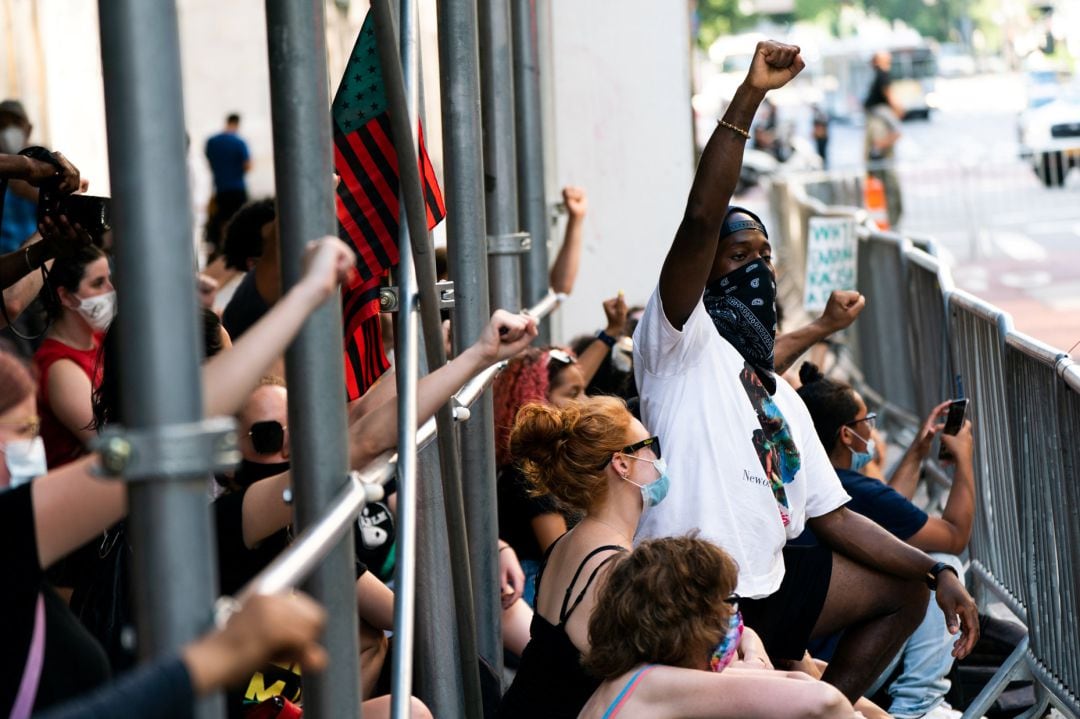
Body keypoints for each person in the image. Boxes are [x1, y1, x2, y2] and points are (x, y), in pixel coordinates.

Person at [633, 39, 978, 702]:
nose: (757, 268)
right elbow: (704, 213)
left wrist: (937, 573)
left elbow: (838, 517)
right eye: (739, 255)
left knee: (901, 588)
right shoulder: (678, 344)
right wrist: (752, 94)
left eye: (765, 255)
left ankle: (829, 706)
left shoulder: (778, 397)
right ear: (703, 270)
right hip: (691, 594)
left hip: (769, 588)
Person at [499, 397, 774, 718]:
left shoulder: (570, 543)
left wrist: (745, 637)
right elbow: (673, 680)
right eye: (650, 445)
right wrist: (751, 656)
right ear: (622, 464)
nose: (658, 457)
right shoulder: (615, 568)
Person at [796, 363, 976, 719]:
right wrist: (965, 460)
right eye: (868, 421)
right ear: (847, 435)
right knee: (944, 564)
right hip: (849, 661)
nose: (873, 432)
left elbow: (889, 517)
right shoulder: (851, 488)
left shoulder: (821, 482)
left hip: (818, 652)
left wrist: (919, 450)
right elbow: (954, 536)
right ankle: (919, 705)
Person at [577, 536, 861, 719]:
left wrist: (752, 651)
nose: (731, 616)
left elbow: (779, 679)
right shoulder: (653, 682)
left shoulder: (634, 676)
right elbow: (823, 700)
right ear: (691, 619)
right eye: (726, 603)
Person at [34, 244, 113, 468]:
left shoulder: (99, 339)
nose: (110, 290)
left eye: (109, 279)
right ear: (66, 297)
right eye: (98, 283)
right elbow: (107, 443)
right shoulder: (60, 367)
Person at [864, 51, 903, 227]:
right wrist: (899, 110)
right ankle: (892, 220)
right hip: (880, 117)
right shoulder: (883, 74)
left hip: (877, 117)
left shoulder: (878, 75)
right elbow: (890, 97)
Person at [204, 113, 251, 253]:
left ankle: (224, 249)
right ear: (237, 124)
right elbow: (248, 165)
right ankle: (238, 249)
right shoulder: (239, 142)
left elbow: (209, 161)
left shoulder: (212, 141)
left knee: (223, 220)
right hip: (237, 187)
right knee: (240, 220)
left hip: (220, 188)